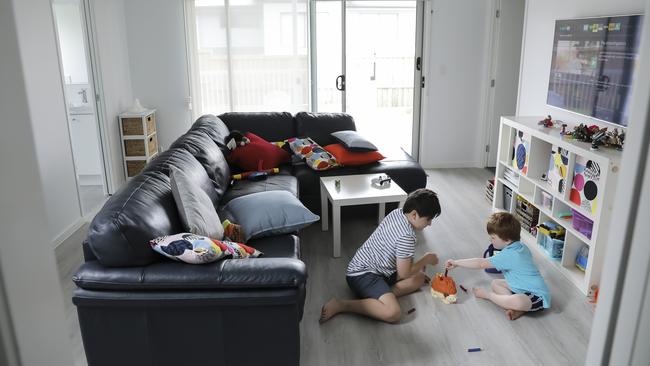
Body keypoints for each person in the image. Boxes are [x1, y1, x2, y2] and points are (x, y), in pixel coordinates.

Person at [319, 188, 441, 324]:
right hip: (363, 274)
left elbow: (401, 260)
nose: (429, 223)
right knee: (393, 313)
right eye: (428, 219)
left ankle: (380, 296)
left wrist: (415, 267)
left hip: (379, 270)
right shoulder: (407, 236)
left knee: (419, 279)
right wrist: (425, 259)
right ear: (414, 215)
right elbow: (404, 273)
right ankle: (343, 305)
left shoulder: (398, 213)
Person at [445, 212, 550, 320]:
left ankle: (489, 296)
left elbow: (480, 263)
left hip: (537, 295)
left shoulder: (510, 255)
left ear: (507, 240)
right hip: (520, 287)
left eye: (493, 238)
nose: (490, 240)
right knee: (496, 283)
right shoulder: (520, 246)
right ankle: (515, 308)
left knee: (519, 301)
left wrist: (457, 262)